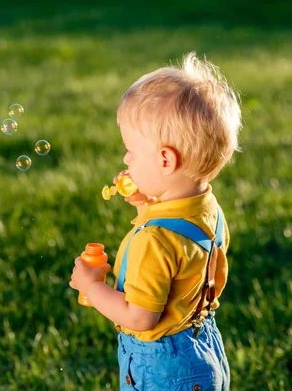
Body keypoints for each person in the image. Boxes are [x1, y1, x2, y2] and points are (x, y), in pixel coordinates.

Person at [69, 52, 242, 390]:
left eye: (131, 151)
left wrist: (92, 286)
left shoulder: (155, 241)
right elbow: (182, 253)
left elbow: (139, 316)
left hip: (162, 367)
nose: (125, 158)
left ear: (165, 160)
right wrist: (146, 203)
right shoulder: (208, 208)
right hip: (203, 349)